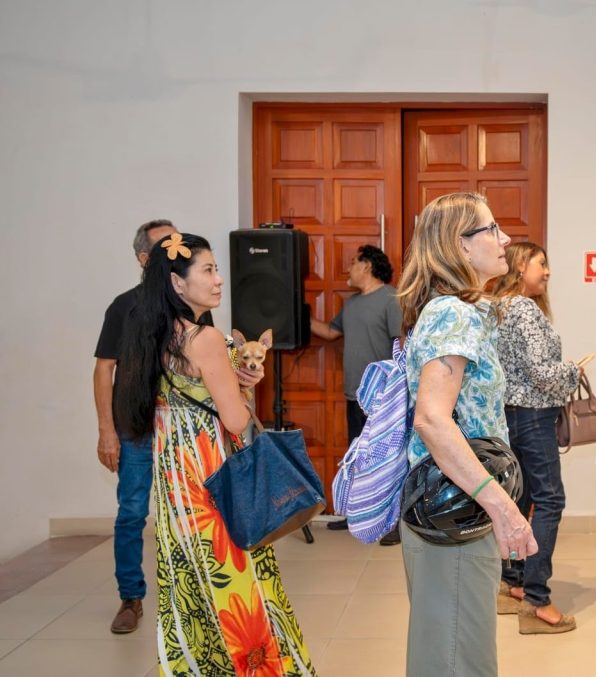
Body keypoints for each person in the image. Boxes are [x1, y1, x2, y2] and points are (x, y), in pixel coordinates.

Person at [114, 233, 316, 676]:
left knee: (188, 580)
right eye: (208, 270)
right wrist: (243, 391)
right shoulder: (204, 338)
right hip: (212, 477)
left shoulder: (153, 335)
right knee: (235, 578)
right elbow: (237, 421)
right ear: (177, 283)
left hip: (175, 482)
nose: (219, 279)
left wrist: (234, 380)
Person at [396, 192, 538, 676]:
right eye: (492, 229)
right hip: (454, 511)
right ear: (460, 245)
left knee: (455, 654)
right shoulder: (452, 313)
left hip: (460, 508)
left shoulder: (459, 310)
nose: (505, 239)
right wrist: (504, 508)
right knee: (456, 661)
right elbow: (432, 420)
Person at [492, 242, 583, 634]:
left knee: (521, 498)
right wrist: (572, 372)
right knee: (549, 500)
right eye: (541, 264)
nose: (547, 272)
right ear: (519, 266)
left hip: (509, 415)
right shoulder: (525, 309)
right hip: (532, 416)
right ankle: (536, 600)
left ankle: (512, 583)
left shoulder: (499, 307)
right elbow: (542, 373)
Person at [93, 218, 177, 634]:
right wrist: (106, 431)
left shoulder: (190, 304)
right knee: (131, 513)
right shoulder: (123, 306)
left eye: (179, 243)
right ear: (145, 259)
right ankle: (131, 597)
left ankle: (189, 593)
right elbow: (103, 369)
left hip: (180, 427)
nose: (176, 252)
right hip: (134, 426)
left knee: (187, 514)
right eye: (166, 246)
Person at [310, 244, 403, 540]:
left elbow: (402, 343)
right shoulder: (351, 304)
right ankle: (357, 517)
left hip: (383, 398)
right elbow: (330, 332)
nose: (348, 268)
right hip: (354, 396)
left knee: (387, 461)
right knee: (358, 458)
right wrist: (295, 312)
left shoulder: (392, 299)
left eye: (353, 262)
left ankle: (393, 524)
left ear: (367, 266)